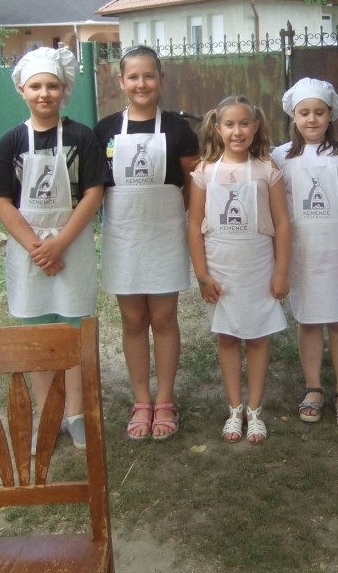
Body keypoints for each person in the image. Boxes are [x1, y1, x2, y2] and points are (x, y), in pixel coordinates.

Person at [0, 47, 110, 451]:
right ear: (22, 90)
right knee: (37, 335)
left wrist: (60, 243)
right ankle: (48, 413)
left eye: (52, 86)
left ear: (64, 90)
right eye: (36, 86)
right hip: (28, 253)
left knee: (72, 333)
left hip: (72, 246)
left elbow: (93, 193)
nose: (45, 93)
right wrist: (36, 247)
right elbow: (1, 200)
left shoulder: (82, 137)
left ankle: (74, 412)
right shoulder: (10, 141)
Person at [95, 46, 199, 442]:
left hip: (164, 234)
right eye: (134, 77)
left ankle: (166, 399)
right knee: (133, 320)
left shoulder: (178, 129)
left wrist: (177, 220)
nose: (142, 84)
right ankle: (142, 400)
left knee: (164, 319)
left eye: (149, 76)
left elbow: (192, 184)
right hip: (123, 236)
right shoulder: (105, 130)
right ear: (121, 81)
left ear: (161, 80)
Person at [187, 95, 291, 444]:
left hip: (258, 267)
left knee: (258, 338)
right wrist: (202, 275)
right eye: (229, 124)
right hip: (221, 269)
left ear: (256, 126)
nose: (237, 131)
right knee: (228, 337)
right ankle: (235, 408)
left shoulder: (266, 170)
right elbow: (194, 225)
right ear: (217, 128)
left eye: (244, 123)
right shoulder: (204, 171)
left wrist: (281, 272)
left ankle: (255, 409)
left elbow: (282, 222)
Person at [272, 78, 338, 427]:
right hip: (302, 254)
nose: (311, 119)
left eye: (318, 112)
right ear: (293, 116)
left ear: (331, 115)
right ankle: (313, 387)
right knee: (309, 321)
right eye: (304, 113)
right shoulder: (280, 156)